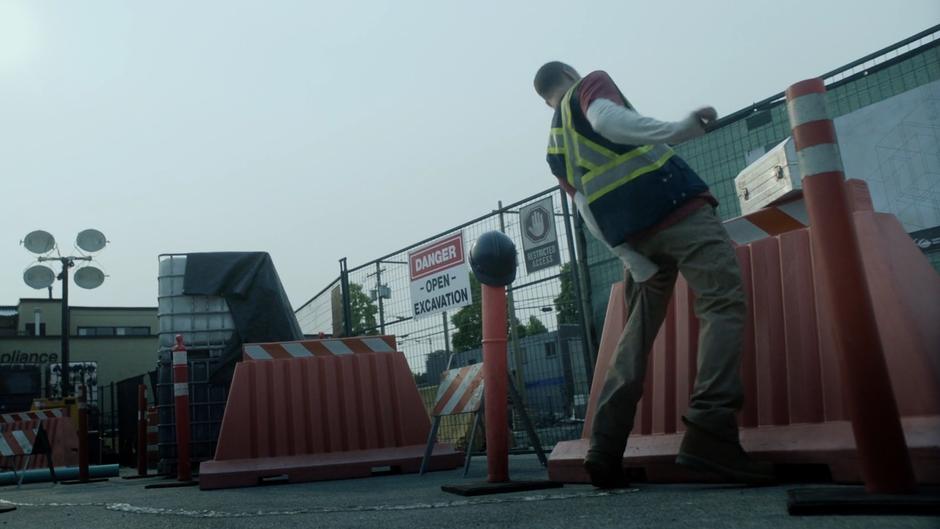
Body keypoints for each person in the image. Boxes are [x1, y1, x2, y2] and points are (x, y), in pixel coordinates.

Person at [533, 61, 774, 488]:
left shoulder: (555, 146)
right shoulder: (589, 86)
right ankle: (710, 429)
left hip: (635, 240)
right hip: (677, 211)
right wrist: (677, 129)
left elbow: (585, 208)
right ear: (569, 75)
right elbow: (607, 119)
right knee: (722, 304)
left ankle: (604, 448)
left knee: (635, 337)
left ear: (544, 98)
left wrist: (631, 258)